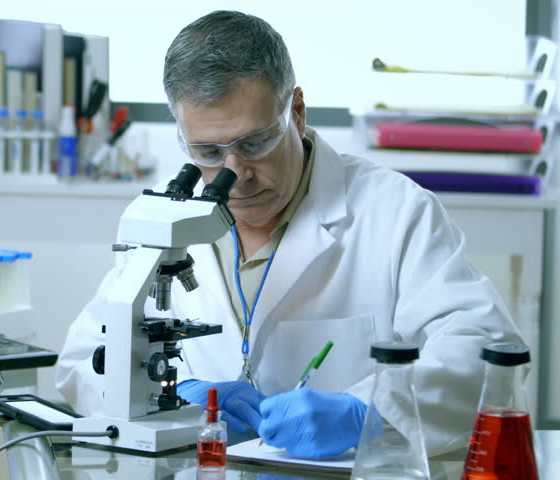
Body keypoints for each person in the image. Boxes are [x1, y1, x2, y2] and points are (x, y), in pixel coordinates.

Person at [55, 10, 522, 458]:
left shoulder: (396, 212)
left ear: (296, 111)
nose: (235, 174)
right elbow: (81, 362)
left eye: (255, 143)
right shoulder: (155, 221)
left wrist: (370, 414)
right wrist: (160, 395)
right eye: (207, 150)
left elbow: (485, 349)